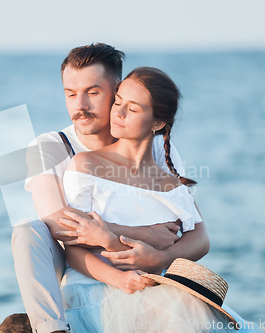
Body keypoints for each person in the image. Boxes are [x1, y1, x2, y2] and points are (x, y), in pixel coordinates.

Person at [12, 43, 210, 333]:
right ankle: (52, 328)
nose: (80, 105)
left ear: (118, 89)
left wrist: (162, 256)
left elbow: (193, 230)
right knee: (29, 231)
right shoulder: (52, 147)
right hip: (73, 258)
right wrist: (146, 233)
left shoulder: (157, 149)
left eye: (92, 92)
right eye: (70, 94)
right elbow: (64, 229)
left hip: (143, 266)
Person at [57, 66, 236, 332]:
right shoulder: (86, 166)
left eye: (133, 108)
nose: (118, 112)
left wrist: (158, 259)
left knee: (186, 311)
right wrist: (118, 279)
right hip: (92, 288)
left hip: (152, 287)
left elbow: (200, 240)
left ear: (157, 123)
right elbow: (73, 249)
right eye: (118, 101)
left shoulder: (169, 183)